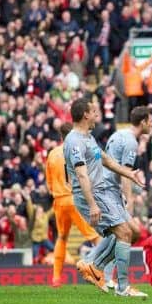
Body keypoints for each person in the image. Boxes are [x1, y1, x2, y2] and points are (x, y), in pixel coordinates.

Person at [63, 98, 147, 298]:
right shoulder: (74, 141)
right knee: (124, 233)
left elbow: (106, 160)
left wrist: (129, 174)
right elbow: (81, 175)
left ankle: (95, 266)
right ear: (85, 114)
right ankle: (122, 286)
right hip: (93, 195)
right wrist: (92, 204)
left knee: (131, 232)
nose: (97, 115)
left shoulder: (88, 138)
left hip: (103, 192)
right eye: (94, 111)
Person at [90, 106, 152, 291]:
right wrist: (130, 200)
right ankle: (94, 265)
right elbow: (126, 174)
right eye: (150, 121)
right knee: (131, 231)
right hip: (110, 190)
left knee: (123, 232)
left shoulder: (120, 133)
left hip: (104, 186)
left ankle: (104, 273)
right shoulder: (131, 142)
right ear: (142, 122)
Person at [46, 122, 101, 287]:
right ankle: (101, 273)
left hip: (59, 201)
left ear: (60, 137)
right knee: (95, 237)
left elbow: (48, 183)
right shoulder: (76, 150)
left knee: (62, 237)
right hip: (75, 198)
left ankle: (56, 278)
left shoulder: (52, 154)